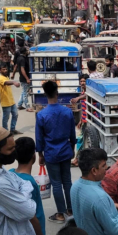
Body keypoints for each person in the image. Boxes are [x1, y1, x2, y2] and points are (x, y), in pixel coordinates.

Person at [35, 81, 76, 223]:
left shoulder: (41, 115)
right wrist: (73, 148)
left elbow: (39, 138)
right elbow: (72, 133)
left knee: (56, 183)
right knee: (67, 181)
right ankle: (71, 210)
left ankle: (60, 213)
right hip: (65, 151)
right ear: (57, 93)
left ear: (45, 94)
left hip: (51, 153)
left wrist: (40, 155)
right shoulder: (67, 111)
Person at [0, 63, 22, 134]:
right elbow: (6, 83)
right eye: (3, 69)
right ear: (0, 70)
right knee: (6, 118)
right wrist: (14, 82)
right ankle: (5, 131)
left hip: (11, 101)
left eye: (6, 69)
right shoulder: (0, 78)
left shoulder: (6, 77)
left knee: (15, 115)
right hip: (5, 102)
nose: (5, 70)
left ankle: (12, 129)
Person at [13, 47, 32, 111]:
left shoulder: (19, 58)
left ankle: (19, 105)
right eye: (27, 50)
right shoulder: (22, 59)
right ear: (24, 52)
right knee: (25, 93)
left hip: (22, 77)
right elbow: (22, 69)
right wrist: (27, 78)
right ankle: (27, 106)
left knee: (24, 91)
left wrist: (13, 74)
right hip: (24, 78)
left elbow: (15, 66)